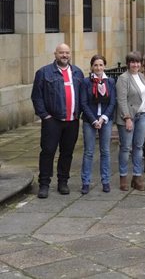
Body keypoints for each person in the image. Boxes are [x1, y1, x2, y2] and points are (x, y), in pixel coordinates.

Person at [31, 43, 85, 198]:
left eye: (67, 53)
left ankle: (63, 182)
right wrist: (45, 116)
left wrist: (79, 112)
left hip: (72, 121)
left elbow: (82, 95)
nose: (64, 55)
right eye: (61, 53)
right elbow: (37, 96)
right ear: (55, 54)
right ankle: (44, 184)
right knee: (48, 152)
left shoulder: (77, 72)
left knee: (67, 153)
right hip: (52, 120)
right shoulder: (44, 73)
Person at [79, 54, 116, 194]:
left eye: (101, 65)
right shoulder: (86, 82)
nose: (98, 68)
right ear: (91, 67)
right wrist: (94, 120)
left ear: (104, 66)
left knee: (105, 151)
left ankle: (105, 181)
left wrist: (103, 118)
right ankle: (86, 182)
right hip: (90, 120)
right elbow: (83, 103)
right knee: (88, 151)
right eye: (96, 65)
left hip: (105, 120)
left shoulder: (110, 82)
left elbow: (113, 102)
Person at [115, 52, 145, 191]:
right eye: (132, 62)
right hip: (128, 118)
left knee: (139, 147)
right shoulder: (123, 79)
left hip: (142, 116)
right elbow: (121, 100)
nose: (135, 65)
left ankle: (137, 175)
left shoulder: (141, 76)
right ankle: (123, 176)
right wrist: (127, 118)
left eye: (137, 62)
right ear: (128, 63)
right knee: (125, 148)